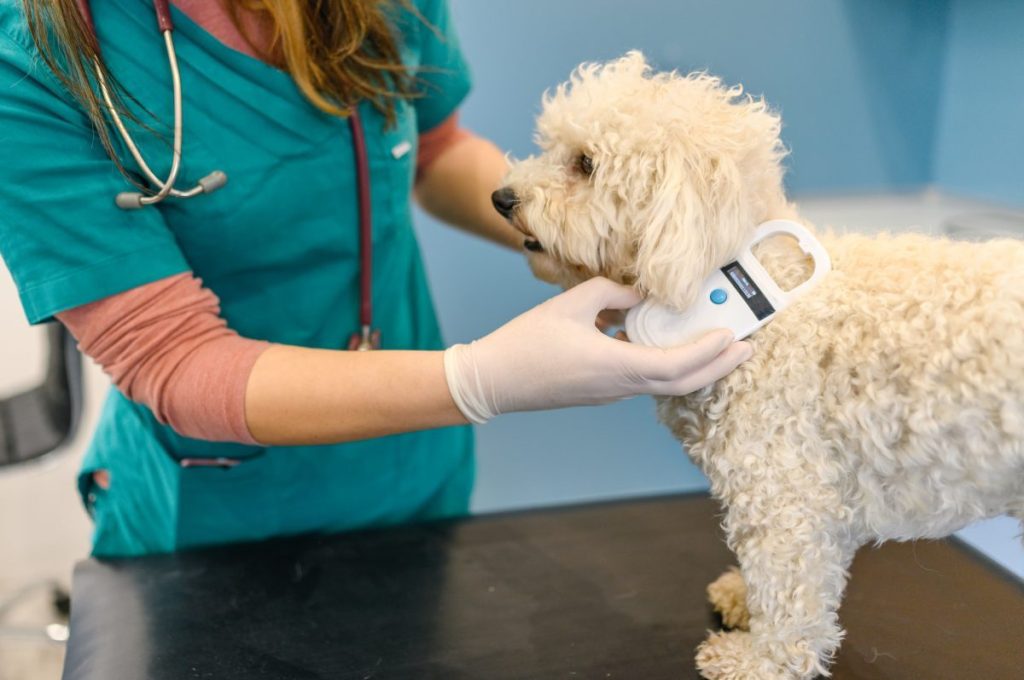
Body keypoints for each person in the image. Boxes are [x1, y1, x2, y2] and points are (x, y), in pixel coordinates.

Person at [0, 0, 751, 557]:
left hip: (415, 478)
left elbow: (434, 147)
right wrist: (480, 380)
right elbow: (171, 357)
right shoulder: (36, 62)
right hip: (217, 519)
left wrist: (580, 236)